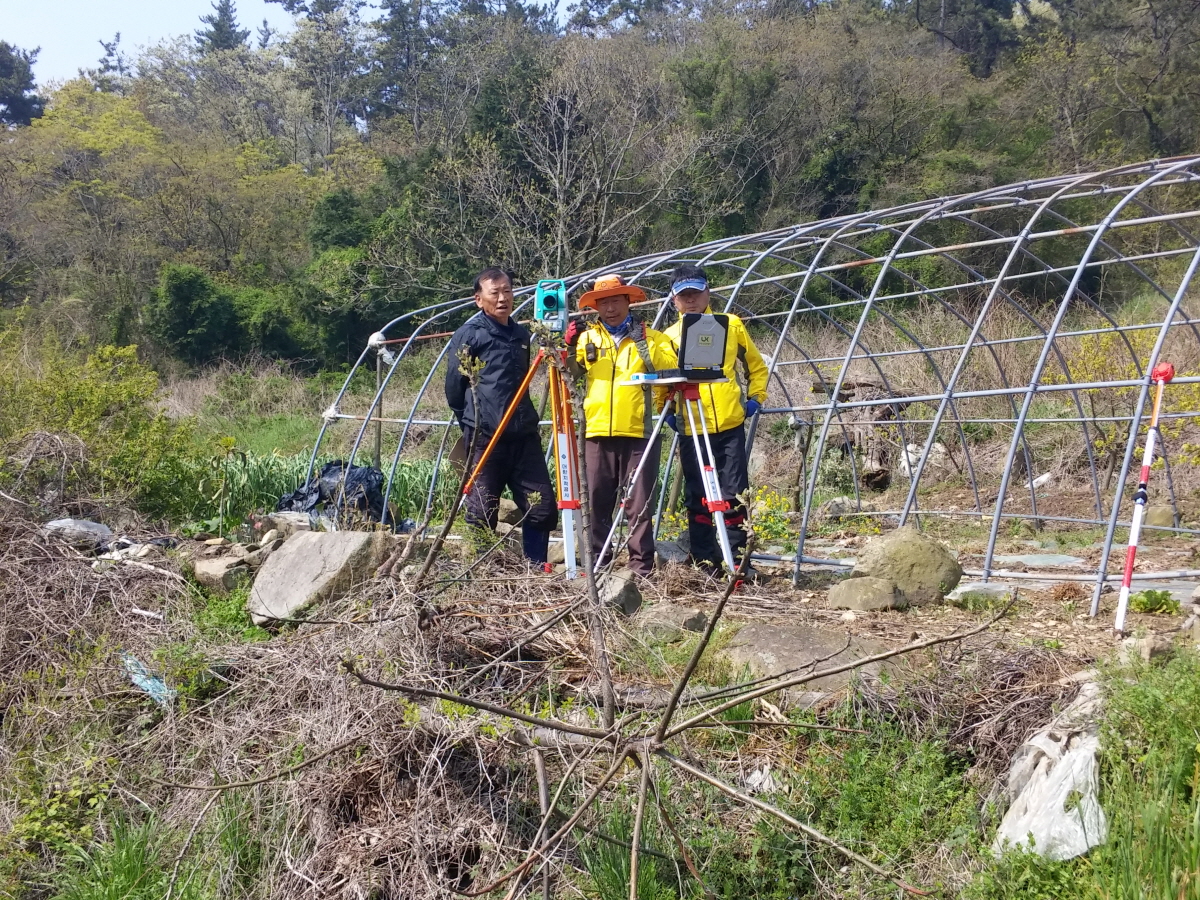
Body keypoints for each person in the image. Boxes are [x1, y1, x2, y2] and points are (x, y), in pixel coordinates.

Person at [445, 266, 557, 564]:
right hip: (485, 437)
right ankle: (484, 572)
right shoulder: (470, 335)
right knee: (482, 508)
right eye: (494, 293)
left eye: (507, 291)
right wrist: (472, 421)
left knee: (542, 506)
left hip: (523, 436)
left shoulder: (521, 335)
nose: (503, 298)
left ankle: (536, 569)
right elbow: (454, 388)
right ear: (479, 299)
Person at [662, 263, 768, 575]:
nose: (691, 299)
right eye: (684, 295)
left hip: (729, 424)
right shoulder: (668, 337)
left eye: (696, 292)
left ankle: (737, 560)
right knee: (698, 496)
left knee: (734, 493)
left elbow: (756, 366)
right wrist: (668, 411)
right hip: (692, 426)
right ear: (674, 300)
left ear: (709, 292)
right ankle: (704, 561)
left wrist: (754, 399)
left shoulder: (730, 325)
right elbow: (664, 382)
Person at [566, 275, 675, 578]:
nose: (610, 308)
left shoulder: (652, 337)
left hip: (639, 430)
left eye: (616, 300)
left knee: (639, 503)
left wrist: (642, 344)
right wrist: (568, 344)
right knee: (596, 500)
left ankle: (641, 568)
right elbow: (570, 375)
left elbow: (668, 368)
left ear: (628, 301)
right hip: (596, 430)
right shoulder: (588, 339)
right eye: (603, 302)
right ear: (596, 307)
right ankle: (598, 564)